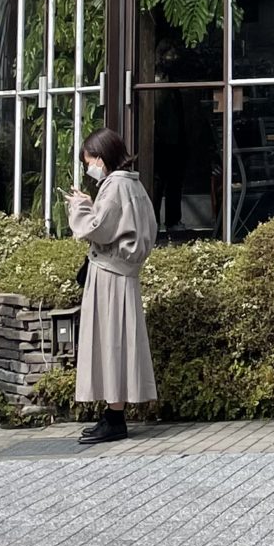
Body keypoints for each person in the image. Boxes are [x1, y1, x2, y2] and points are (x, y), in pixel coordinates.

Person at [66, 130, 157, 447]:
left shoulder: (115, 185)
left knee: (109, 342)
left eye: (89, 161)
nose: (89, 167)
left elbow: (98, 228)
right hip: (123, 273)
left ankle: (114, 417)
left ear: (101, 158)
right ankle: (113, 413)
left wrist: (79, 207)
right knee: (118, 342)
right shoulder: (133, 183)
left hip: (109, 273)